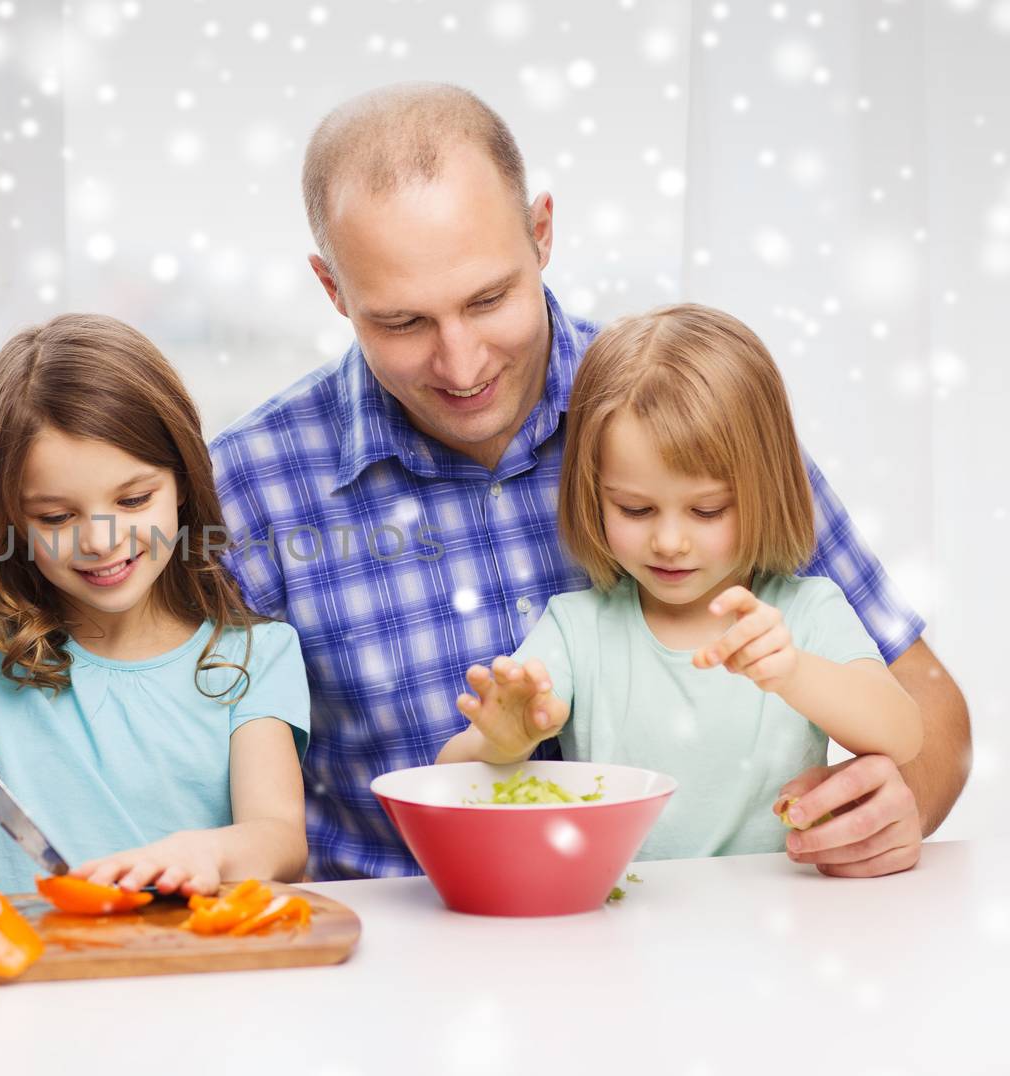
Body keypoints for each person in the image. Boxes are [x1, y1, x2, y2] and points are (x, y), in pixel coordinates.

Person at [209, 81, 970, 880]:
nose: (461, 363)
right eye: (403, 322)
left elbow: (927, 704)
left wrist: (893, 807)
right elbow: (184, 783)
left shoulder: (683, 411)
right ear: (333, 289)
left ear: (541, 234)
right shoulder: (249, 487)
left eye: (489, 298)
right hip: (396, 955)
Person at [0, 314, 310, 896]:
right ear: (11, 517)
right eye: (56, 517)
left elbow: (280, 840)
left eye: (135, 498)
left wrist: (208, 852)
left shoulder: (253, 655)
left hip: (175, 975)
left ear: (184, 484)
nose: (99, 539)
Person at [437, 304, 922, 858]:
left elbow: (903, 734)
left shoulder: (807, 613)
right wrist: (503, 740)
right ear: (593, 496)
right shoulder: (577, 629)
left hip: (776, 921)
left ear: (767, 490)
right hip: (621, 923)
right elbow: (452, 776)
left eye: (708, 510)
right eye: (636, 509)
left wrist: (794, 672)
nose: (669, 542)